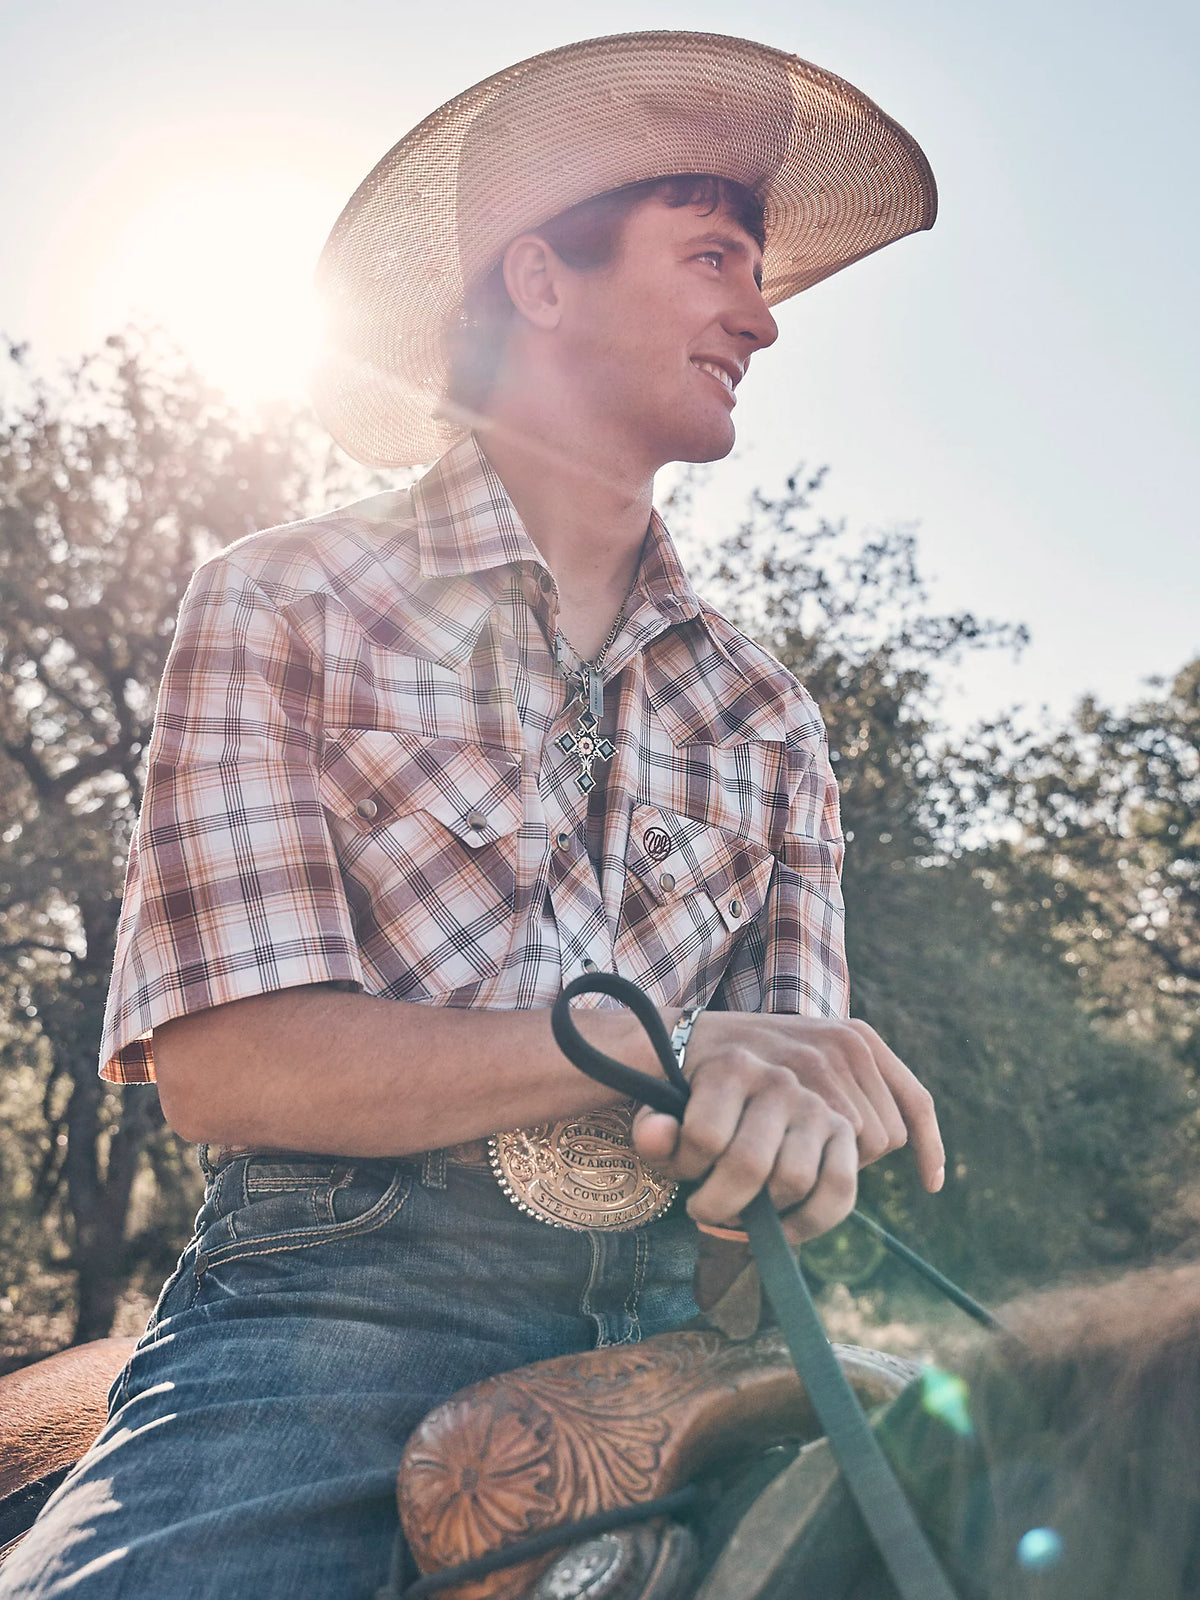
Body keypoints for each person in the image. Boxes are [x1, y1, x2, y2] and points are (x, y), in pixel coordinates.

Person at [0, 31, 944, 1600]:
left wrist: (792, 1146)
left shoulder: (770, 713)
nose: (764, 319)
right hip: (323, 1324)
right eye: (716, 257)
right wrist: (674, 1051)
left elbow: (759, 1149)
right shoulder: (284, 601)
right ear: (543, 280)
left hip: (673, 1332)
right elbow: (234, 1068)